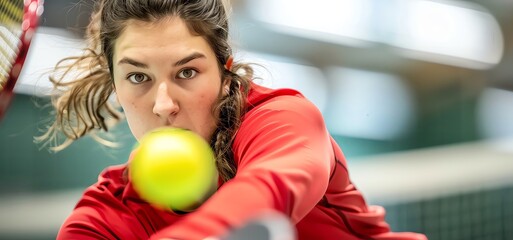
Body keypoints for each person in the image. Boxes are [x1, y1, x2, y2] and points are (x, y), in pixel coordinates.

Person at [41, 0, 428, 239]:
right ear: (115, 84)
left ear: (226, 74)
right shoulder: (105, 220)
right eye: (138, 77)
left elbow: (268, 190)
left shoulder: (282, 120)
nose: (163, 105)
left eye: (187, 73)